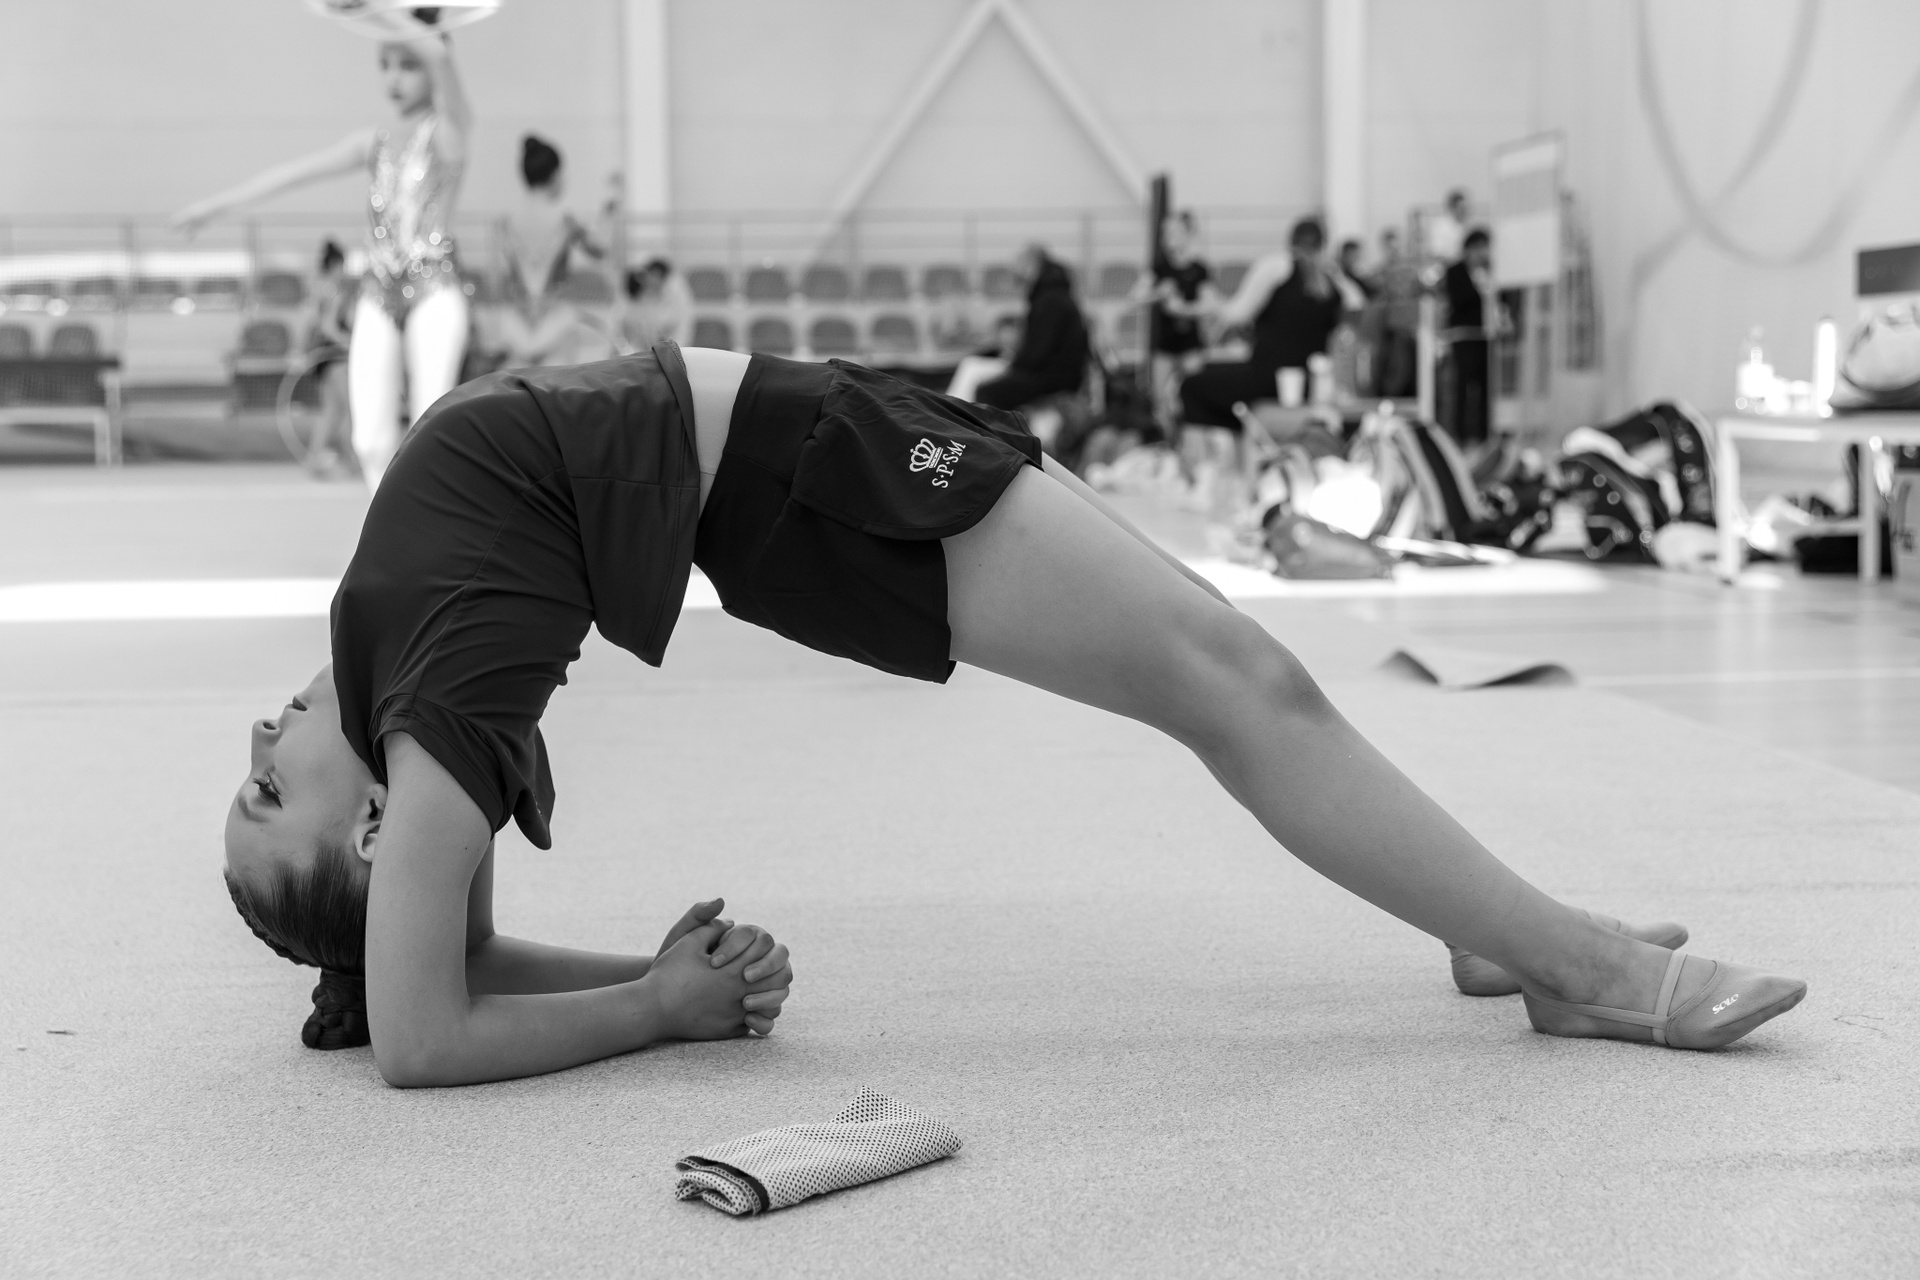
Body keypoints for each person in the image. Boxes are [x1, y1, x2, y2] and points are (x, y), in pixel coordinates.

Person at [222, 340, 1806, 1085]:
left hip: (808, 449)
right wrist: (654, 1008)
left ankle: (1489, 930)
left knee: (1239, 670)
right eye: (264, 797)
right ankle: (1577, 972)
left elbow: (451, 969)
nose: (251, 750)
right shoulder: (430, 705)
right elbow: (425, 1031)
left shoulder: (404, 678)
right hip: (813, 483)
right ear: (371, 832)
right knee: (1242, 689)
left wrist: (647, 977)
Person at [174, 25, 473, 491]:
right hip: (378, 292)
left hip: (433, 291)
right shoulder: (374, 143)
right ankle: (388, 532)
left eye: (408, 66)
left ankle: (438, 531)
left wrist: (397, 18)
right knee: (370, 440)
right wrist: (214, 207)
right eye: (386, 65)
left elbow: (439, 55)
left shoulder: (450, 133)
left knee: (429, 427)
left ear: (434, 69)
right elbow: (294, 174)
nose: (395, 78)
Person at [495, 135, 620, 367]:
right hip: (554, 323)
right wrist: (610, 210)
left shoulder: (506, 221)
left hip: (516, 324)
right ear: (554, 175)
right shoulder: (565, 220)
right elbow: (600, 249)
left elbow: (499, 278)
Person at [972, 245, 1089, 412]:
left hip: (1055, 377)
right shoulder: (1055, 295)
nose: (1018, 274)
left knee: (987, 391)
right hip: (1059, 373)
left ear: (1032, 266)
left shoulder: (1049, 301)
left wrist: (1012, 366)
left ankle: (993, 429)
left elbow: (1037, 352)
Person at [1144, 210, 1217, 423]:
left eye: (1174, 232)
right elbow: (1136, 296)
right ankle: (1165, 436)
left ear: (1187, 233)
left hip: (1191, 346)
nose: (1169, 237)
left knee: (1195, 396)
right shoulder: (1160, 269)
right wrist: (1158, 292)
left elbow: (1208, 306)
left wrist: (1182, 309)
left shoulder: (1199, 269)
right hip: (1164, 346)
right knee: (1159, 400)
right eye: (1166, 233)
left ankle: (1192, 437)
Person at [301, 239, 358, 477]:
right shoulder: (334, 289)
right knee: (348, 409)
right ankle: (353, 459)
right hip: (335, 357)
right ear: (336, 265)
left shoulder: (317, 286)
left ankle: (316, 458)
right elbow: (327, 325)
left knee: (332, 410)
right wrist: (350, 343)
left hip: (323, 356)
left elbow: (309, 323)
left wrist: (304, 350)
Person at [1441, 227, 1495, 445]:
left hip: (1486, 335)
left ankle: (1484, 434)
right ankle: (1461, 436)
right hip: (1463, 335)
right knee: (1463, 385)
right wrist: (1479, 288)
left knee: (1486, 386)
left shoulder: (1491, 270)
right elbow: (1458, 299)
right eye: (1478, 247)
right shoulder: (1455, 271)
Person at [1369, 227, 1423, 398]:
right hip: (1388, 329)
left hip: (1408, 328)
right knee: (1392, 366)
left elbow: (1416, 294)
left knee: (1406, 367)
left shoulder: (1410, 270)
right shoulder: (1380, 271)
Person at [621, 257, 694, 350]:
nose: (652, 281)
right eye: (651, 276)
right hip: (643, 348)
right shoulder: (641, 299)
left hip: (672, 348)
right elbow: (630, 327)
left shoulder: (675, 295)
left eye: (656, 276)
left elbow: (681, 329)